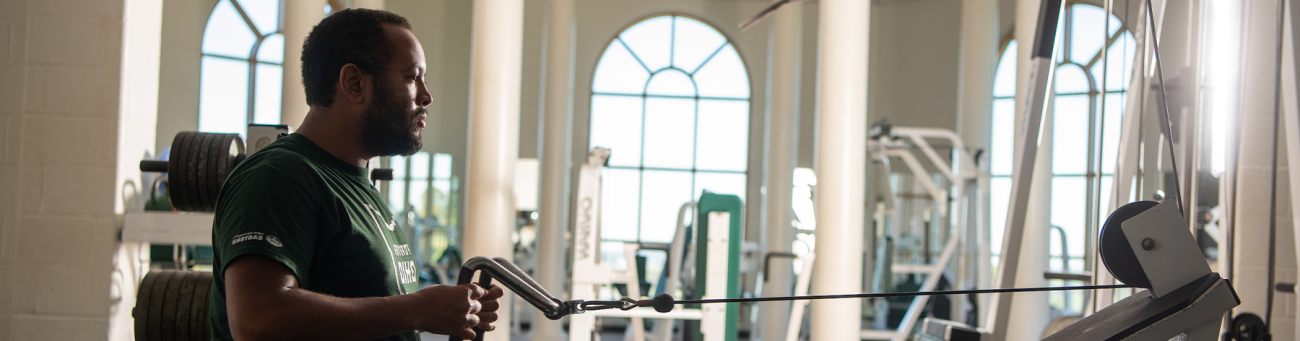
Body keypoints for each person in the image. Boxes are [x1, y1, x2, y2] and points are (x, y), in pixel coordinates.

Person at [210, 9, 503, 341]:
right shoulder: (278, 176)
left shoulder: (358, 185)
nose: (426, 96)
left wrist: (446, 306)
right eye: (412, 77)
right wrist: (418, 310)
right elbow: (258, 321)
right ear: (353, 83)